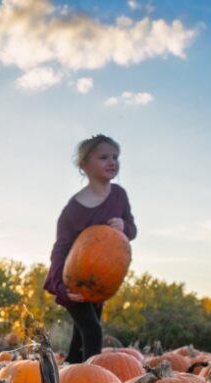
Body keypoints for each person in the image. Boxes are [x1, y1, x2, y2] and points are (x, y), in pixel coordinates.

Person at [43, 134, 138, 363]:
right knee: (93, 332)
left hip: (100, 282)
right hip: (73, 283)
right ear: (84, 165)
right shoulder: (73, 210)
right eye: (103, 157)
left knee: (80, 340)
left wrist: (124, 226)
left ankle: (70, 376)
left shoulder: (119, 196)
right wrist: (60, 287)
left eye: (115, 157)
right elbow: (60, 250)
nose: (112, 162)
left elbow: (132, 231)